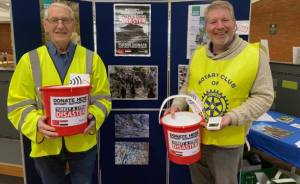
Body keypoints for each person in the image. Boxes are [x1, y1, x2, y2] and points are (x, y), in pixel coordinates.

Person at [164, 1, 274, 184]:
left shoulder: (254, 54)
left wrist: (231, 117)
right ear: (206, 27)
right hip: (195, 138)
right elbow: (188, 89)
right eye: (213, 22)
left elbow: (264, 97)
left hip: (228, 145)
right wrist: (177, 105)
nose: (220, 26)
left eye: (225, 20)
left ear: (234, 22)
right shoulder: (197, 55)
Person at [7, 3, 111, 184]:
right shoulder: (28, 61)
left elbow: (103, 98)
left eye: (66, 20)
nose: (60, 25)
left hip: (82, 143)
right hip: (46, 144)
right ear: (45, 25)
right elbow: (18, 103)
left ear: (74, 25)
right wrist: (35, 122)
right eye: (54, 20)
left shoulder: (92, 59)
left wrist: (94, 115)